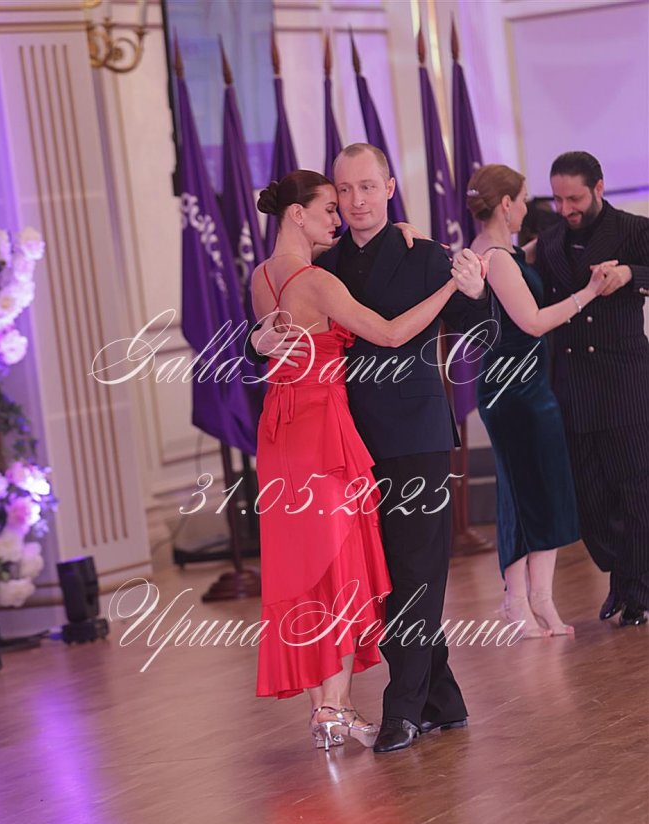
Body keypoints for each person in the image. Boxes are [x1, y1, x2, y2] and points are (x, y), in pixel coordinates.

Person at [253, 145, 489, 754]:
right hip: (343, 444)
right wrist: (259, 339)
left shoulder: (424, 253)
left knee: (416, 572)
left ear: (388, 187)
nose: (354, 202)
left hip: (414, 437)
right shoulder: (325, 264)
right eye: (342, 191)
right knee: (384, 579)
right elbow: (286, 327)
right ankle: (442, 700)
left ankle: (403, 709)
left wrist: (466, 285)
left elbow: (473, 322)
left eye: (366, 188)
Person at [466, 164, 607, 637]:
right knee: (522, 493)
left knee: (542, 490)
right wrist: (588, 293)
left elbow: (522, 261)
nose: (528, 208)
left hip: (528, 387)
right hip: (513, 391)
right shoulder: (494, 258)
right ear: (507, 203)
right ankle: (517, 600)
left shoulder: (502, 252)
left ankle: (540, 599)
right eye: (524, 199)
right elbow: (532, 322)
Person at [536, 152, 649, 627]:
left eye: (575, 198)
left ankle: (634, 590)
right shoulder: (550, 238)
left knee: (635, 491)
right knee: (589, 498)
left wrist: (629, 275)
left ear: (599, 188)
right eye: (558, 199)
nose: (566, 209)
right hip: (571, 386)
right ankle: (624, 573)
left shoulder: (633, 230)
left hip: (623, 382)